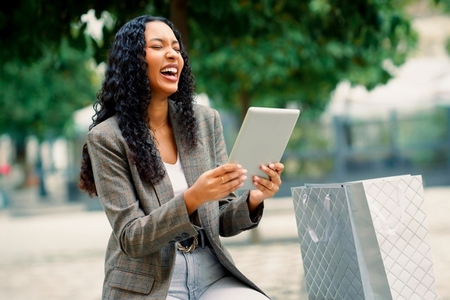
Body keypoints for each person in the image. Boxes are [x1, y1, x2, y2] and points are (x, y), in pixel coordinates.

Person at [78, 14, 284, 300]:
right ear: (133, 61)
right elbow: (131, 237)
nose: (172, 53)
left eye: (176, 47)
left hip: (211, 273)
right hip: (152, 282)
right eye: (158, 46)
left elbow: (222, 218)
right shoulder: (107, 138)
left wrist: (253, 200)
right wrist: (192, 198)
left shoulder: (203, 121)